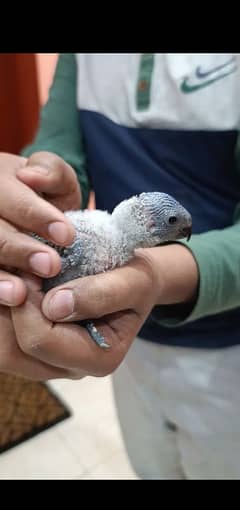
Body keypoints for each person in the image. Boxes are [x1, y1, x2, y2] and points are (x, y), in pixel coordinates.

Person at [1, 53, 240, 479]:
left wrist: (154, 276)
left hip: (225, 346)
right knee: (151, 466)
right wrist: (35, 191)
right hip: (123, 338)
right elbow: (57, 146)